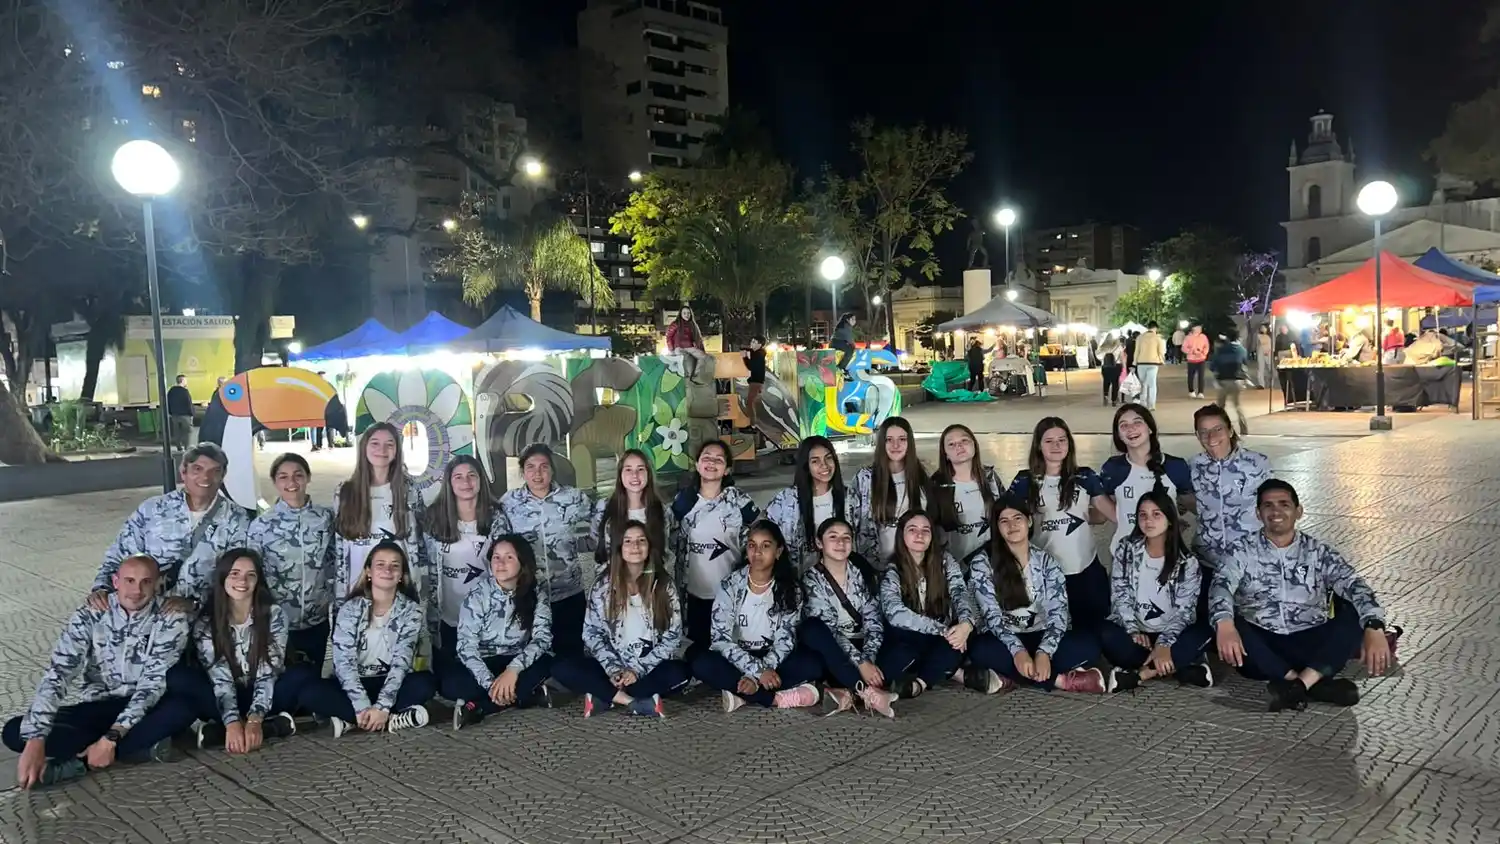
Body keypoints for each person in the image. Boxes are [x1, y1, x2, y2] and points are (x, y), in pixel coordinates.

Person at [7, 555, 192, 789]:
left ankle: (84, 760)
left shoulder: (171, 617)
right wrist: (36, 739)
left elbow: (152, 685)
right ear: (115, 581)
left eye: (146, 581)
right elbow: (59, 673)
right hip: (99, 705)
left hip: (144, 706)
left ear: (157, 584)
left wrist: (111, 739)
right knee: (16, 730)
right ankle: (138, 748)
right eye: (129, 581)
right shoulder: (92, 613)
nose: (136, 590)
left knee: (183, 710)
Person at [1211, 480, 1393, 711]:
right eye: (1268, 505)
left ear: (1298, 511)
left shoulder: (1318, 552)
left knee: (1352, 611)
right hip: (1261, 646)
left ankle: (1295, 686)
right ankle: (1311, 684)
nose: (1276, 511)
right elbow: (1221, 586)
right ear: (1258, 513)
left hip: (1311, 641)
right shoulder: (1240, 551)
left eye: (1284, 504)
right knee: (1227, 620)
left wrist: (1374, 626)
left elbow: (1353, 584)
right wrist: (1224, 625)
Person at [967, 498, 1108, 693]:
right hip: (1005, 639)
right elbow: (992, 617)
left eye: (1018, 518)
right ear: (996, 527)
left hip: (1041, 634)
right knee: (978, 649)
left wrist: (1044, 652)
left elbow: (1058, 614)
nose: (1012, 525)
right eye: (1004, 521)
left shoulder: (1046, 561)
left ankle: (1010, 677)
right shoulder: (982, 564)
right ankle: (1060, 680)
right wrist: (1018, 651)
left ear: (1030, 521)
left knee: (1089, 645)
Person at [555, 522, 689, 718]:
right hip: (610, 666)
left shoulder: (664, 585)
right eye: (628, 541)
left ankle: (605, 695)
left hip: (648, 667)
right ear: (619, 548)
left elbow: (673, 636)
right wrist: (613, 669)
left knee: (681, 673)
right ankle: (632, 701)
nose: (635, 547)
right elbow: (591, 633)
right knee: (561, 668)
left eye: (641, 541)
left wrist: (637, 670)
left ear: (649, 547)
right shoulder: (602, 585)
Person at [300, 541, 435, 735]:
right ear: (369, 572)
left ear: (401, 576)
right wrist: (362, 705)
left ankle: (354, 721)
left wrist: (383, 705)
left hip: (390, 682)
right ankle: (385, 718)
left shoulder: (411, 610)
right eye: (380, 564)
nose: (387, 570)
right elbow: (343, 663)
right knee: (309, 692)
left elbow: (402, 661)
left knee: (426, 683)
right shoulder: (350, 608)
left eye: (395, 565)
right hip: (355, 684)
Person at [91, 443, 250, 607]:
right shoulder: (153, 509)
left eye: (215, 471)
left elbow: (237, 575)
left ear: (223, 475)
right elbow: (119, 555)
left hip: (201, 613)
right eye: (197, 469)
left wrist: (195, 603)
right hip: (143, 608)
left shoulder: (236, 519)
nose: (205, 477)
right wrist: (102, 588)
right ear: (183, 472)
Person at [173, 549, 301, 751]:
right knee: (180, 678)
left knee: (302, 676)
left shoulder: (274, 615)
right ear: (222, 577)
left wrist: (255, 720)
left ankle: (228, 731)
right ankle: (273, 727)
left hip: (262, 693)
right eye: (234, 574)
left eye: (250, 575)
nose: (242, 581)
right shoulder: (206, 623)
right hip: (223, 695)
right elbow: (220, 678)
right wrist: (232, 722)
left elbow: (268, 672)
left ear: (258, 581)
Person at [689, 521, 823, 712]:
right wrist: (758, 672)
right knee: (701, 663)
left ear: (778, 552)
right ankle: (773, 698)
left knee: (813, 664)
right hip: (737, 657)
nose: (757, 552)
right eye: (752, 545)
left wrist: (761, 672)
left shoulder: (790, 589)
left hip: (773, 657)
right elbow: (720, 639)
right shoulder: (730, 584)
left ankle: (743, 694)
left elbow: (785, 640)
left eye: (765, 546)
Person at [1100, 491, 1213, 692]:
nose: (1148, 520)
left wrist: (1164, 644)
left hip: (1173, 634)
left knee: (1206, 630)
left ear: (1170, 520)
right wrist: (1133, 630)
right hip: (1137, 636)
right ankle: (1179, 667)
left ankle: (1141, 674)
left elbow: (1184, 612)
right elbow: (1120, 593)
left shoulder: (1188, 563)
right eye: (1143, 515)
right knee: (1104, 632)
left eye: (1156, 514)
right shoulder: (1126, 549)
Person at [1008, 418, 1112, 625]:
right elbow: (1007, 519)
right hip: (1043, 572)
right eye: (1049, 441)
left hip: (1085, 568)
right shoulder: (1024, 481)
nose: (1056, 446)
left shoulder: (1085, 477)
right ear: (1038, 445)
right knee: (1049, 627)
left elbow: (1110, 513)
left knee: (1094, 626)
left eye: (1062, 440)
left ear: (1069, 444)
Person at [497, 444, 593, 657]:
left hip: (569, 591)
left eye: (544, 467)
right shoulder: (509, 503)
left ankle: (572, 688)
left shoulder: (574, 498)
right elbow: (501, 546)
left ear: (552, 470)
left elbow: (595, 531)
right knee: (533, 653)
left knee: (571, 655)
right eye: (530, 467)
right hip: (529, 593)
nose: (537, 474)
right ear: (522, 471)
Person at [448, 536, 554, 727]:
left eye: (509, 557)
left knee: (548, 664)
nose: (500, 563)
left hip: (516, 662)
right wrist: (490, 684)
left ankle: (479, 707)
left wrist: (513, 670)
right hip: (484, 660)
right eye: (496, 557)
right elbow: (466, 646)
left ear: (523, 562)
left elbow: (542, 639)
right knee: (450, 683)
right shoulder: (478, 595)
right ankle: (524, 696)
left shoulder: (536, 595)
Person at [672, 440, 760, 658]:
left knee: (729, 647)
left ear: (727, 469)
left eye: (719, 459)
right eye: (706, 457)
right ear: (697, 464)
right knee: (700, 648)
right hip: (694, 593)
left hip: (729, 594)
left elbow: (762, 531)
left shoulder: (738, 501)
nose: (711, 463)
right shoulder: (683, 501)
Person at [247, 454, 336, 670]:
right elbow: (253, 573)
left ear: (307, 478)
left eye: (298, 475)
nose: (292, 483)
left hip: (318, 619)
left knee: (312, 678)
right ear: (275, 482)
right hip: (277, 621)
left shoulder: (326, 518)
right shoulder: (262, 525)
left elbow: (336, 560)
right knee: (280, 678)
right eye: (283, 477)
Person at [800, 518, 894, 717]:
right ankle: (866, 692)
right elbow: (830, 631)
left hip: (863, 645)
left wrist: (868, 659)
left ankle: (847, 694)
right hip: (834, 649)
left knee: (901, 646)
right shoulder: (811, 579)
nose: (840, 543)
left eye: (846, 538)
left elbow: (873, 621)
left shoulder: (862, 573)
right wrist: (861, 664)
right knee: (813, 630)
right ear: (819, 543)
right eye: (833, 537)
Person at [424, 456, 509, 675]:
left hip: (487, 617)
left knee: (488, 672)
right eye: (458, 477)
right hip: (448, 619)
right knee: (449, 682)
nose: (466, 482)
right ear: (449, 483)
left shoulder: (497, 518)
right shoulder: (432, 518)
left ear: (481, 480)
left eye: (472, 475)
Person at [877, 511, 974, 700]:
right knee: (900, 656)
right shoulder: (893, 568)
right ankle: (947, 670)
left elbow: (960, 593)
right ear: (902, 535)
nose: (919, 535)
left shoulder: (945, 561)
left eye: (925, 530)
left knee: (956, 644)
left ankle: (919, 684)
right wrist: (943, 631)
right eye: (912, 530)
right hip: (908, 637)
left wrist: (966, 624)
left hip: (938, 637)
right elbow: (895, 613)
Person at [332, 423, 427, 610]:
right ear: (364, 448)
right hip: (358, 590)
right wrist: (340, 597)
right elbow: (340, 549)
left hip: (399, 591)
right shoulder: (344, 492)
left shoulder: (409, 490)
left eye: (389, 444)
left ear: (397, 451)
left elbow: (421, 544)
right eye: (375, 443)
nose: (382, 450)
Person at [1190, 404, 1272, 619]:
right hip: (1207, 562)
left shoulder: (1257, 464)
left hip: (1248, 563)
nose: (1211, 437)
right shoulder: (1192, 467)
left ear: (1230, 430)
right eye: (1203, 431)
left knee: (1251, 622)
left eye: (1217, 429)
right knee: (1211, 622)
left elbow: (1273, 508)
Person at [1099, 404, 1195, 558]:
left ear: (1150, 428)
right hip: (1124, 556)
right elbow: (1109, 511)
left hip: (1166, 555)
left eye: (1137, 422)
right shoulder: (1112, 469)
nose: (1131, 429)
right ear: (1118, 435)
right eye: (1123, 425)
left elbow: (1190, 504)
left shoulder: (1175, 466)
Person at [849, 417, 927, 567]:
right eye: (889, 439)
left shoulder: (921, 477)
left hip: (913, 565)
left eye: (902, 439)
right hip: (875, 565)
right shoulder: (865, 478)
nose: (895, 445)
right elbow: (851, 521)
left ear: (910, 442)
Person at [765, 436, 849, 571]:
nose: (824, 465)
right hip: (797, 580)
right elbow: (764, 533)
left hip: (839, 579)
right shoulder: (786, 500)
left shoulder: (850, 499)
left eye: (828, 458)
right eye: (815, 461)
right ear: (806, 466)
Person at [926, 423, 1005, 565]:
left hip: (991, 565)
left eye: (964, 441)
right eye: (951, 444)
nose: (959, 446)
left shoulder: (990, 477)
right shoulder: (936, 485)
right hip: (954, 568)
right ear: (945, 454)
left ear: (974, 445)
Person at [590, 448, 673, 577]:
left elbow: (666, 550)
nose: (635, 475)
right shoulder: (603, 508)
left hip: (651, 585)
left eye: (640, 469)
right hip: (613, 584)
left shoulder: (662, 510)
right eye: (628, 469)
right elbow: (597, 541)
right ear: (620, 475)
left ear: (648, 474)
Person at [1210, 331, 1250, 433]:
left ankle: (1220, 428)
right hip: (1238, 381)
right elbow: (1245, 363)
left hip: (1223, 380)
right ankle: (1244, 428)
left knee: (1220, 407)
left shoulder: (1221, 350)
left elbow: (1213, 366)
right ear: (1238, 339)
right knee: (1237, 405)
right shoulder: (1242, 350)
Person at [665, 306, 712, 379]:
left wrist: (702, 351)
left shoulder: (693, 325)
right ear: (680, 314)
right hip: (679, 348)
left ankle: (695, 376)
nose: (686, 315)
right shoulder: (675, 324)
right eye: (684, 313)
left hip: (690, 348)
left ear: (691, 314)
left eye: (688, 313)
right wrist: (671, 350)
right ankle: (690, 378)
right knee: (689, 366)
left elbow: (698, 339)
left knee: (705, 357)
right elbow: (668, 336)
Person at [1132, 322, 1166, 410]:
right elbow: (1161, 351)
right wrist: (1162, 360)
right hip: (1153, 363)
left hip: (1141, 362)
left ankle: (1143, 403)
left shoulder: (1140, 337)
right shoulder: (1158, 338)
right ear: (1156, 328)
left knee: (1143, 384)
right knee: (1152, 384)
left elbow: (1136, 351)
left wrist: (1134, 363)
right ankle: (1151, 405)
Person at [742, 336, 767, 433]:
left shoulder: (758, 355)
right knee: (751, 403)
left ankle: (753, 426)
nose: (751, 343)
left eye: (753, 342)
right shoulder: (758, 353)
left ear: (759, 344)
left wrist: (744, 357)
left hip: (756, 382)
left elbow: (751, 367)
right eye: (751, 341)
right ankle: (752, 425)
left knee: (750, 403)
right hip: (756, 381)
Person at [166, 375, 194, 452]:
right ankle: (186, 447)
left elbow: (167, 402)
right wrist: (192, 413)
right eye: (185, 380)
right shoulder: (184, 391)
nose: (186, 382)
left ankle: (179, 447)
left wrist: (170, 412)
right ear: (182, 381)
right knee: (187, 432)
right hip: (185, 415)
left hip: (175, 415)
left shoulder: (171, 391)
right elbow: (188, 403)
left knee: (177, 432)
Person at [1183, 324, 1210, 398]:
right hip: (1191, 359)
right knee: (1191, 376)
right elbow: (1184, 348)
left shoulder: (1203, 337)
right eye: (1198, 327)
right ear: (1193, 328)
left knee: (1201, 376)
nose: (1200, 328)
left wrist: (1203, 353)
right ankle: (1191, 391)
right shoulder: (1188, 337)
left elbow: (1206, 346)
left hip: (1201, 359)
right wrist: (1192, 351)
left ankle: (1201, 392)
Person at [1097, 333, 1123, 407]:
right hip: (1116, 366)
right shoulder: (1118, 346)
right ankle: (1114, 400)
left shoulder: (1102, 346)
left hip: (1105, 367)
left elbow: (1098, 357)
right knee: (1115, 383)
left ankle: (1105, 396)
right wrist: (1123, 366)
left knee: (1106, 382)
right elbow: (1121, 357)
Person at [1255, 325, 1274, 389]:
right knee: (1260, 369)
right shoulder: (1258, 336)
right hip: (1261, 353)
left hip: (1268, 353)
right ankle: (1261, 384)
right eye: (1261, 328)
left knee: (1270, 369)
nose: (1262, 329)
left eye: (1264, 328)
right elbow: (1258, 345)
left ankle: (1271, 384)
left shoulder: (1269, 336)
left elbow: (1271, 346)